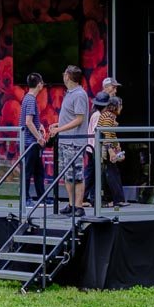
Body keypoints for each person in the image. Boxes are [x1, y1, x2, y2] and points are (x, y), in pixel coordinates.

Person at [53, 66, 92, 214]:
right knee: (67, 175)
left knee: (77, 175)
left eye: (64, 74)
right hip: (64, 141)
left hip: (74, 142)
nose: (63, 76)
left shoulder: (79, 94)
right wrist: (58, 125)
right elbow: (70, 117)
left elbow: (79, 119)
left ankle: (79, 206)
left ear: (68, 76)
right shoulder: (69, 93)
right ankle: (71, 204)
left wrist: (59, 129)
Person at [18, 72, 48, 207]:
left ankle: (42, 197)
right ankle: (25, 199)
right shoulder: (30, 100)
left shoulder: (27, 98)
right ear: (39, 84)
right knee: (28, 171)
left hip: (31, 142)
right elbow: (28, 122)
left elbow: (31, 120)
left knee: (38, 171)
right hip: (30, 142)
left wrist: (39, 125)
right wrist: (39, 138)